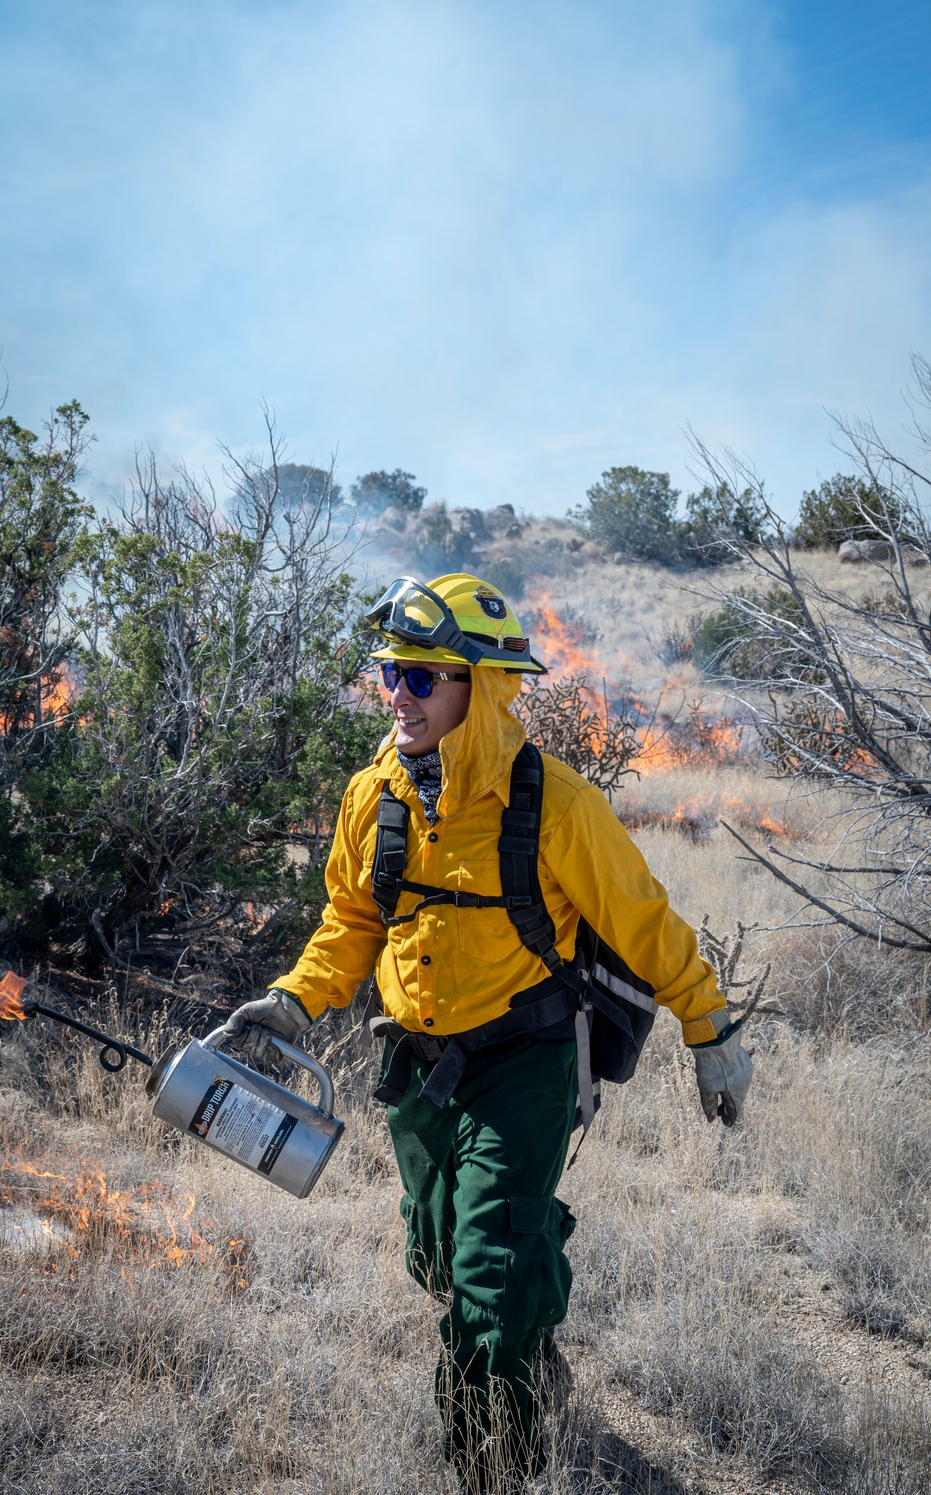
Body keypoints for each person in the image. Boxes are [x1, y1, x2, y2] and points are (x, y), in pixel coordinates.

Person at [223, 573, 752, 1493]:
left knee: (484, 1287)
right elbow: (351, 920)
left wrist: (712, 1033)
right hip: (417, 1065)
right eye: (389, 672)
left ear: (485, 686)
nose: (397, 695)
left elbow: (647, 925)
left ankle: (493, 1465)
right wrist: (296, 999)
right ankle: (530, 1297)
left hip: (526, 1066)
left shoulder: (556, 806)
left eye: (423, 678)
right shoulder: (372, 795)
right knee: (436, 1251)